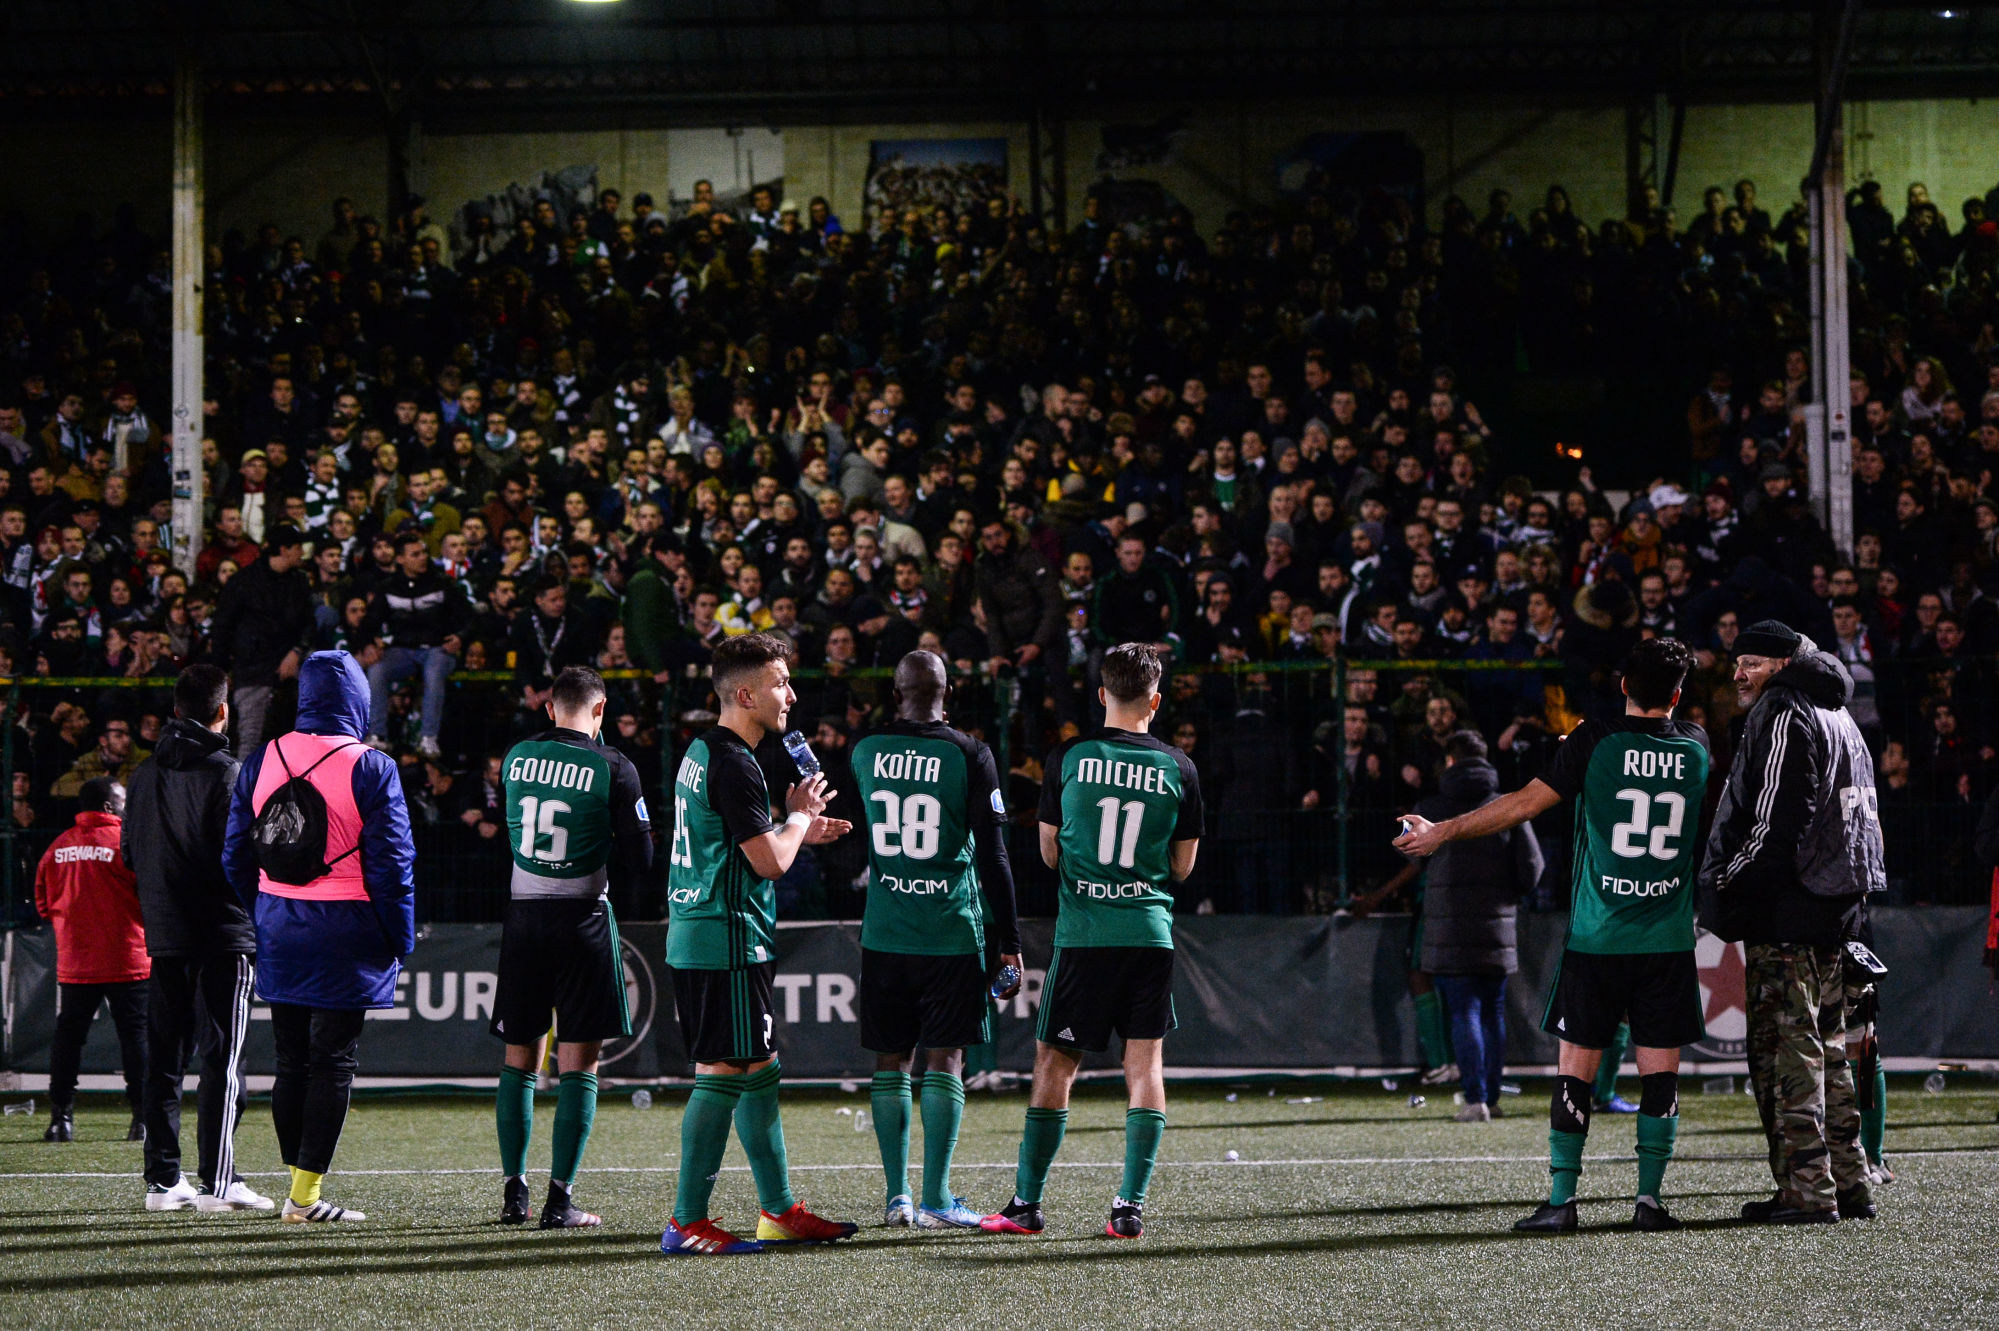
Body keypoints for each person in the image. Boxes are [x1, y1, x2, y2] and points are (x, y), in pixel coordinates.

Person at [1398, 638, 1710, 1233]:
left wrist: (1441, 832)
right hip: (1667, 940)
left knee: (1575, 1073)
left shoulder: (1594, 740)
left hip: (1598, 940)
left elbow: (1519, 806)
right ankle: (1649, 1202)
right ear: (1676, 694)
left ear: (1623, 685)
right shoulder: (1697, 745)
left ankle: (1563, 1202)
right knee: (1660, 1076)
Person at [982, 642, 1203, 1241]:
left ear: (1102, 694)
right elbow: (1183, 868)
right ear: (1155, 700)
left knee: (1055, 1062)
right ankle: (1129, 1206)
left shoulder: (1069, 757)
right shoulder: (1179, 767)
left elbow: (1049, 853)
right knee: (1144, 1064)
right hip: (1149, 934)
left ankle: (1026, 1205)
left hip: (1085, 935)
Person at [661, 632, 857, 1256]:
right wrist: (797, 819)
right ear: (745, 693)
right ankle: (686, 1221)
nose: (790, 694)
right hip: (724, 937)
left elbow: (744, 844)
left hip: (708, 931)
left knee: (759, 1068)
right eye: (779, 682)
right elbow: (770, 863)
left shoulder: (705, 750)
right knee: (724, 1071)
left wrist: (791, 830)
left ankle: (777, 1210)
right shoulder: (736, 762)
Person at [1700, 619, 1884, 1224]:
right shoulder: (1839, 711)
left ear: (1781, 663)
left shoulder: (1786, 710)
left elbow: (1780, 817)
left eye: (1750, 662)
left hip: (1791, 910)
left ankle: (1807, 1191)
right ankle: (1849, 1182)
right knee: (1829, 1050)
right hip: (1838, 906)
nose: (1738, 674)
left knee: (1788, 1052)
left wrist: (1726, 880)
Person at [223, 650, 416, 1224]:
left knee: (291, 1060)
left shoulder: (263, 758)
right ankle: (304, 1198)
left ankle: (296, 1188)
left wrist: (263, 909)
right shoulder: (372, 767)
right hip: (347, 929)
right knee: (333, 1061)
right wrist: (399, 938)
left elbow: (235, 854)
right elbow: (393, 865)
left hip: (280, 925)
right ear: (359, 698)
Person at [851, 650, 1023, 1229]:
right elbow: (995, 855)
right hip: (950, 931)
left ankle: (896, 1196)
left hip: (884, 931)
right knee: (945, 1058)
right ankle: (936, 1196)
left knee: (889, 1062)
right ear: (947, 693)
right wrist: (1010, 939)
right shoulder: (970, 753)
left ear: (896, 694)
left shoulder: (865, 749)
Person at [492, 666, 653, 1230]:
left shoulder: (516, 756)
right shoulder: (615, 766)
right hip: (582, 919)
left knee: (520, 1060)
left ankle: (515, 1194)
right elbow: (641, 859)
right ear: (601, 709)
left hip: (524, 917)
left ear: (549, 708)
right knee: (578, 1064)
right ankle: (560, 1201)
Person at [123, 665, 270, 1212]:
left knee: (164, 1059)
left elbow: (131, 855)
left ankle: (163, 1183)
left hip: (162, 934)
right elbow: (238, 859)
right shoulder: (229, 773)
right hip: (222, 935)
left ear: (174, 711)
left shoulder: (140, 775)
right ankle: (221, 1180)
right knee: (222, 1059)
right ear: (223, 712)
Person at [1412, 730, 1543, 1122]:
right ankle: (1491, 1096)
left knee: (1463, 1010)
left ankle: (1475, 1100)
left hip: (1447, 927)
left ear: (1449, 761)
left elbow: (1414, 856)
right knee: (1493, 1011)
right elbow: (1533, 867)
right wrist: (1509, 894)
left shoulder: (1431, 805)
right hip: (1495, 927)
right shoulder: (1505, 806)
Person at [36, 777, 149, 1146]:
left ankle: (60, 1119)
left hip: (76, 963)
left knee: (68, 1039)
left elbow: (42, 904)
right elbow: (149, 899)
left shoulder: (57, 848)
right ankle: (141, 1120)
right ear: (108, 807)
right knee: (135, 1039)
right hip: (127, 961)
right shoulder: (126, 844)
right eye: (123, 801)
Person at [207, 527, 313, 761]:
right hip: (253, 667)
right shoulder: (244, 582)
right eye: (298, 548)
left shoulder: (299, 582)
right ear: (284, 550)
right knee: (251, 736)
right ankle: (245, 789)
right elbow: (223, 627)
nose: (302, 554)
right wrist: (221, 670)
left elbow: (308, 623)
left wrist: (296, 652)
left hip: (290, 665)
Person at [362, 532, 472, 757]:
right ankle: (377, 735)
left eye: (423, 552)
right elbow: (368, 623)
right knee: (377, 669)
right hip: (402, 651)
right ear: (400, 559)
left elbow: (469, 618)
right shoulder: (388, 587)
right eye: (416, 554)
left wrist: (461, 637)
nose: (423, 557)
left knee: (433, 672)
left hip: (437, 649)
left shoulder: (442, 583)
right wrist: (368, 644)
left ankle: (428, 738)